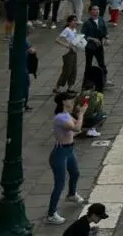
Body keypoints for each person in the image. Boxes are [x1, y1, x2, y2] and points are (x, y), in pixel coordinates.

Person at [47, 92, 85, 225]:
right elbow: (77, 128)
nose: (73, 101)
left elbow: (78, 129)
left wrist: (78, 116)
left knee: (75, 173)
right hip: (60, 153)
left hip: (69, 150)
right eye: (70, 99)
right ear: (63, 102)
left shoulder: (66, 115)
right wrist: (81, 114)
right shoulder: (60, 118)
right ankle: (51, 214)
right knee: (59, 184)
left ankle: (72, 194)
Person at [81, 6, 111, 87]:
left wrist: (107, 38)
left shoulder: (101, 20)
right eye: (94, 10)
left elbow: (105, 31)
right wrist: (93, 39)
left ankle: (104, 80)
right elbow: (83, 35)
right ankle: (87, 82)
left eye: (97, 9)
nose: (96, 11)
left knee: (102, 63)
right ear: (90, 11)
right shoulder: (87, 23)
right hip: (90, 47)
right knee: (88, 65)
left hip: (99, 46)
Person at [54, 16, 83, 93]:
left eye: (76, 21)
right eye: (73, 21)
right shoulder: (67, 30)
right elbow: (57, 40)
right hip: (68, 53)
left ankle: (70, 87)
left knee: (74, 70)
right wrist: (67, 45)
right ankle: (57, 87)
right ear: (69, 22)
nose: (75, 22)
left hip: (74, 51)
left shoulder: (74, 30)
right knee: (67, 70)